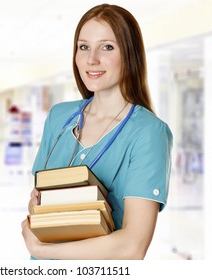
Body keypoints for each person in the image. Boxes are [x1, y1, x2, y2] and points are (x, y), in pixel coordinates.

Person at [21, 3, 173, 260]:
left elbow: (132, 247)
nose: (92, 59)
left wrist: (43, 250)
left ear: (130, 54)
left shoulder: (148, 133)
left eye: (107, 47)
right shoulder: (59, 117)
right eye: (84, 47)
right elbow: (38, 200)